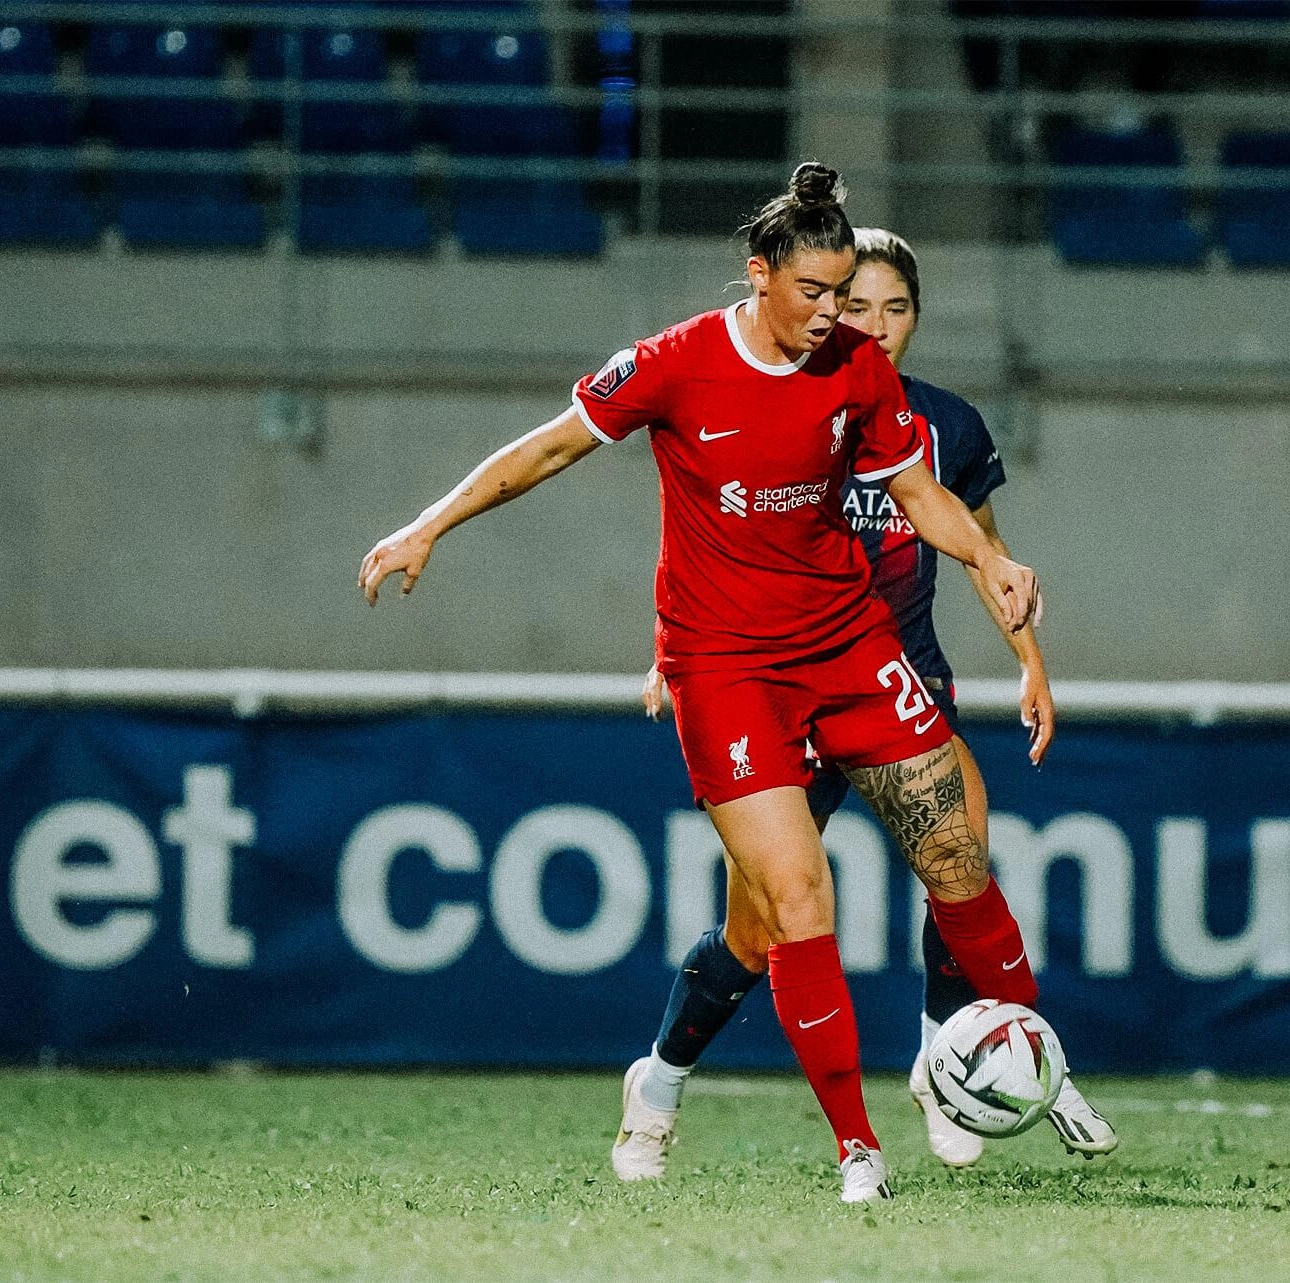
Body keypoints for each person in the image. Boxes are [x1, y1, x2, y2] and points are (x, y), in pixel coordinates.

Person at [361, 162, 1041, 1205]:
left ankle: (1040, 1067)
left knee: (956, 847)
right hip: (725, 668)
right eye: (814, 293)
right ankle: (847, 1145)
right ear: (758, 274)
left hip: (847, 646)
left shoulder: (855, 368)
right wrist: (427, 523)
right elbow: (548, 447)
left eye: (847, 293)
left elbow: (914, 488)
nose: (834, 314)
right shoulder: (676, 363)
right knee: (786, 903)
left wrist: (984, 558)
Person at [618, 229, 1118, 1181]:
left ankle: (978, 1061)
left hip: (894, 669)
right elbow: (706, 529)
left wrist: (1031, 661)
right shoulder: (789, 391)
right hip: (768, 679)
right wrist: (670, 657)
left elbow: (981, 542)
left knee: (958, 860)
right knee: (760, 928)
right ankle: (664, 1075)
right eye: (857, 307)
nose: (874, 327)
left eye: (896, 310)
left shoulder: (942, 424)